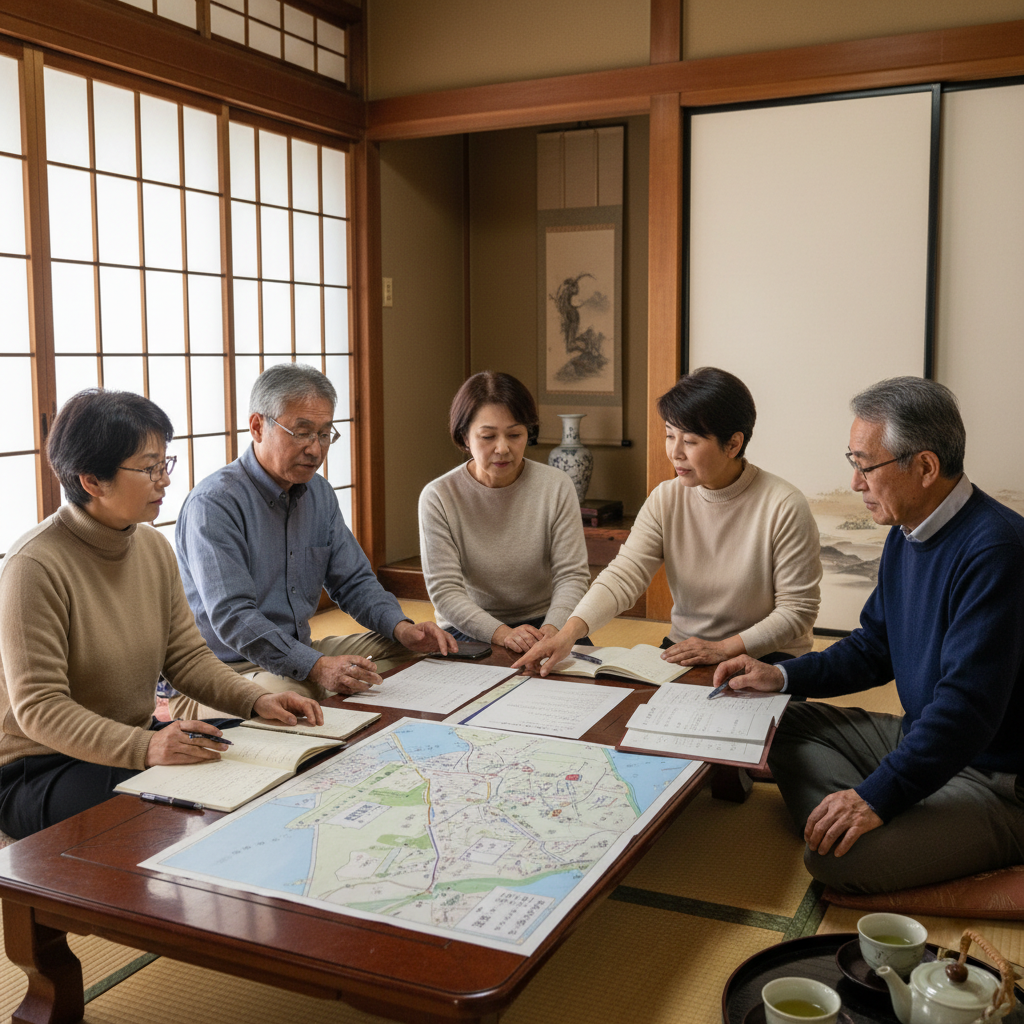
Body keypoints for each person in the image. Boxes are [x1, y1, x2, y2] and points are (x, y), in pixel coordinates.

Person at [713, 377, 1024, 894]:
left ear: (924, 467)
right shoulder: (909, 531)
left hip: (997, 777)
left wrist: (876, 796)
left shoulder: (998, 550)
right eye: (853, 462)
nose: (855, 482)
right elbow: (873, 648)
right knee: (779, 718)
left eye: (864, 465)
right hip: (920, 737)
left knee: (837, 862)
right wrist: (782, 673)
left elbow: (966, 711)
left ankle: (867, 814)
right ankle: (875, 810)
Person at [0, 389, 321, 840]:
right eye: (149, 467)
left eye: (164, 464)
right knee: (176, 813)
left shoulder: (150, 546)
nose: (164, 480)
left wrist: (255, 701)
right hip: (41, 767)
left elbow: (187, 658)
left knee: (267, 752)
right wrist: (147, 744)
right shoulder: (34, 566)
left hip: (130, 739)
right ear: (91, 479)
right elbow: (40, 708)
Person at [171, 362, 456, 720]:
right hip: (223, 673)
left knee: (416, 650)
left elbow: (354, 582)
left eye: (324, 434)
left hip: (298, 652)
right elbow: (233, 617)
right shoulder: (214, 504)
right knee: (294, 697)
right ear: (257, 426)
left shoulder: (319, 493)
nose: (315, 449)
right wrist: (317, 667)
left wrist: (403, 628)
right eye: (302, 432)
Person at [514, 366, 821, 674]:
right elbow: (623, 576)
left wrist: (722, 649)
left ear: (733, 444)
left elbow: (797, 611)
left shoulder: (783, 505)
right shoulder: (666, 498)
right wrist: (567, 634)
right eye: (669, 435)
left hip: (766, 655)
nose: (675, 452)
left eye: (690, 441)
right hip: (685, 649)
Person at [418, 372, 590, 655]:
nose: (503, 448)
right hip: (469, 625)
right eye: (487, 436)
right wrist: (503, 634)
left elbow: (572, 575)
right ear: (464, 437)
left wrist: (552, 629)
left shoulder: (556, 486)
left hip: (545, 621)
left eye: (515, 435)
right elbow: (446, 592)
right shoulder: (439, 496)